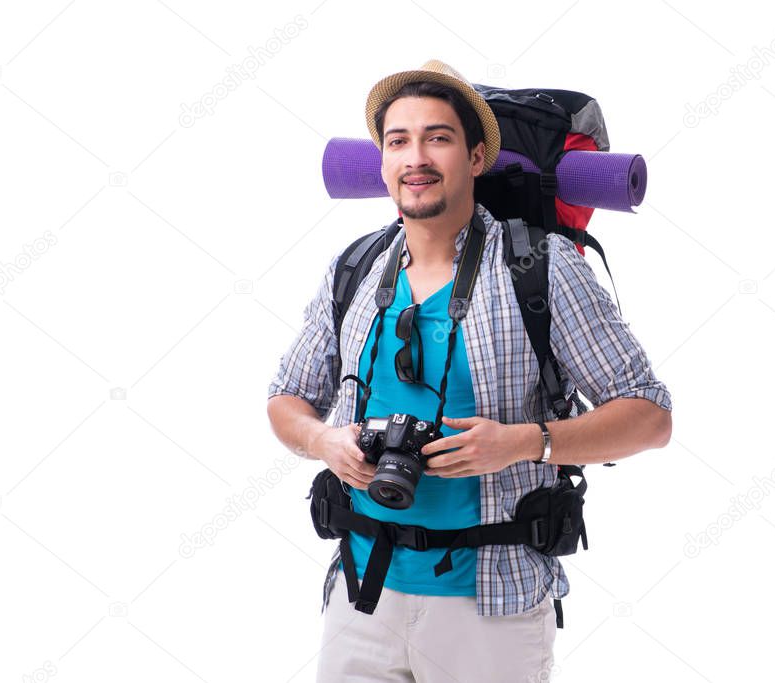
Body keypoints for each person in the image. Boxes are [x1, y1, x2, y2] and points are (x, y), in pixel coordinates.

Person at [266, 59, 673, 683]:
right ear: (381, 163)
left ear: (477, 157)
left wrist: (524, 443)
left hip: (492, 605)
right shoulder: (353, 269)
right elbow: (286, 398)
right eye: (398, 141)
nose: (416, 157)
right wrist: (325, 440)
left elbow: (649, 415)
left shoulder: (542, 267)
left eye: (438, 137)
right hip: (359, 593)